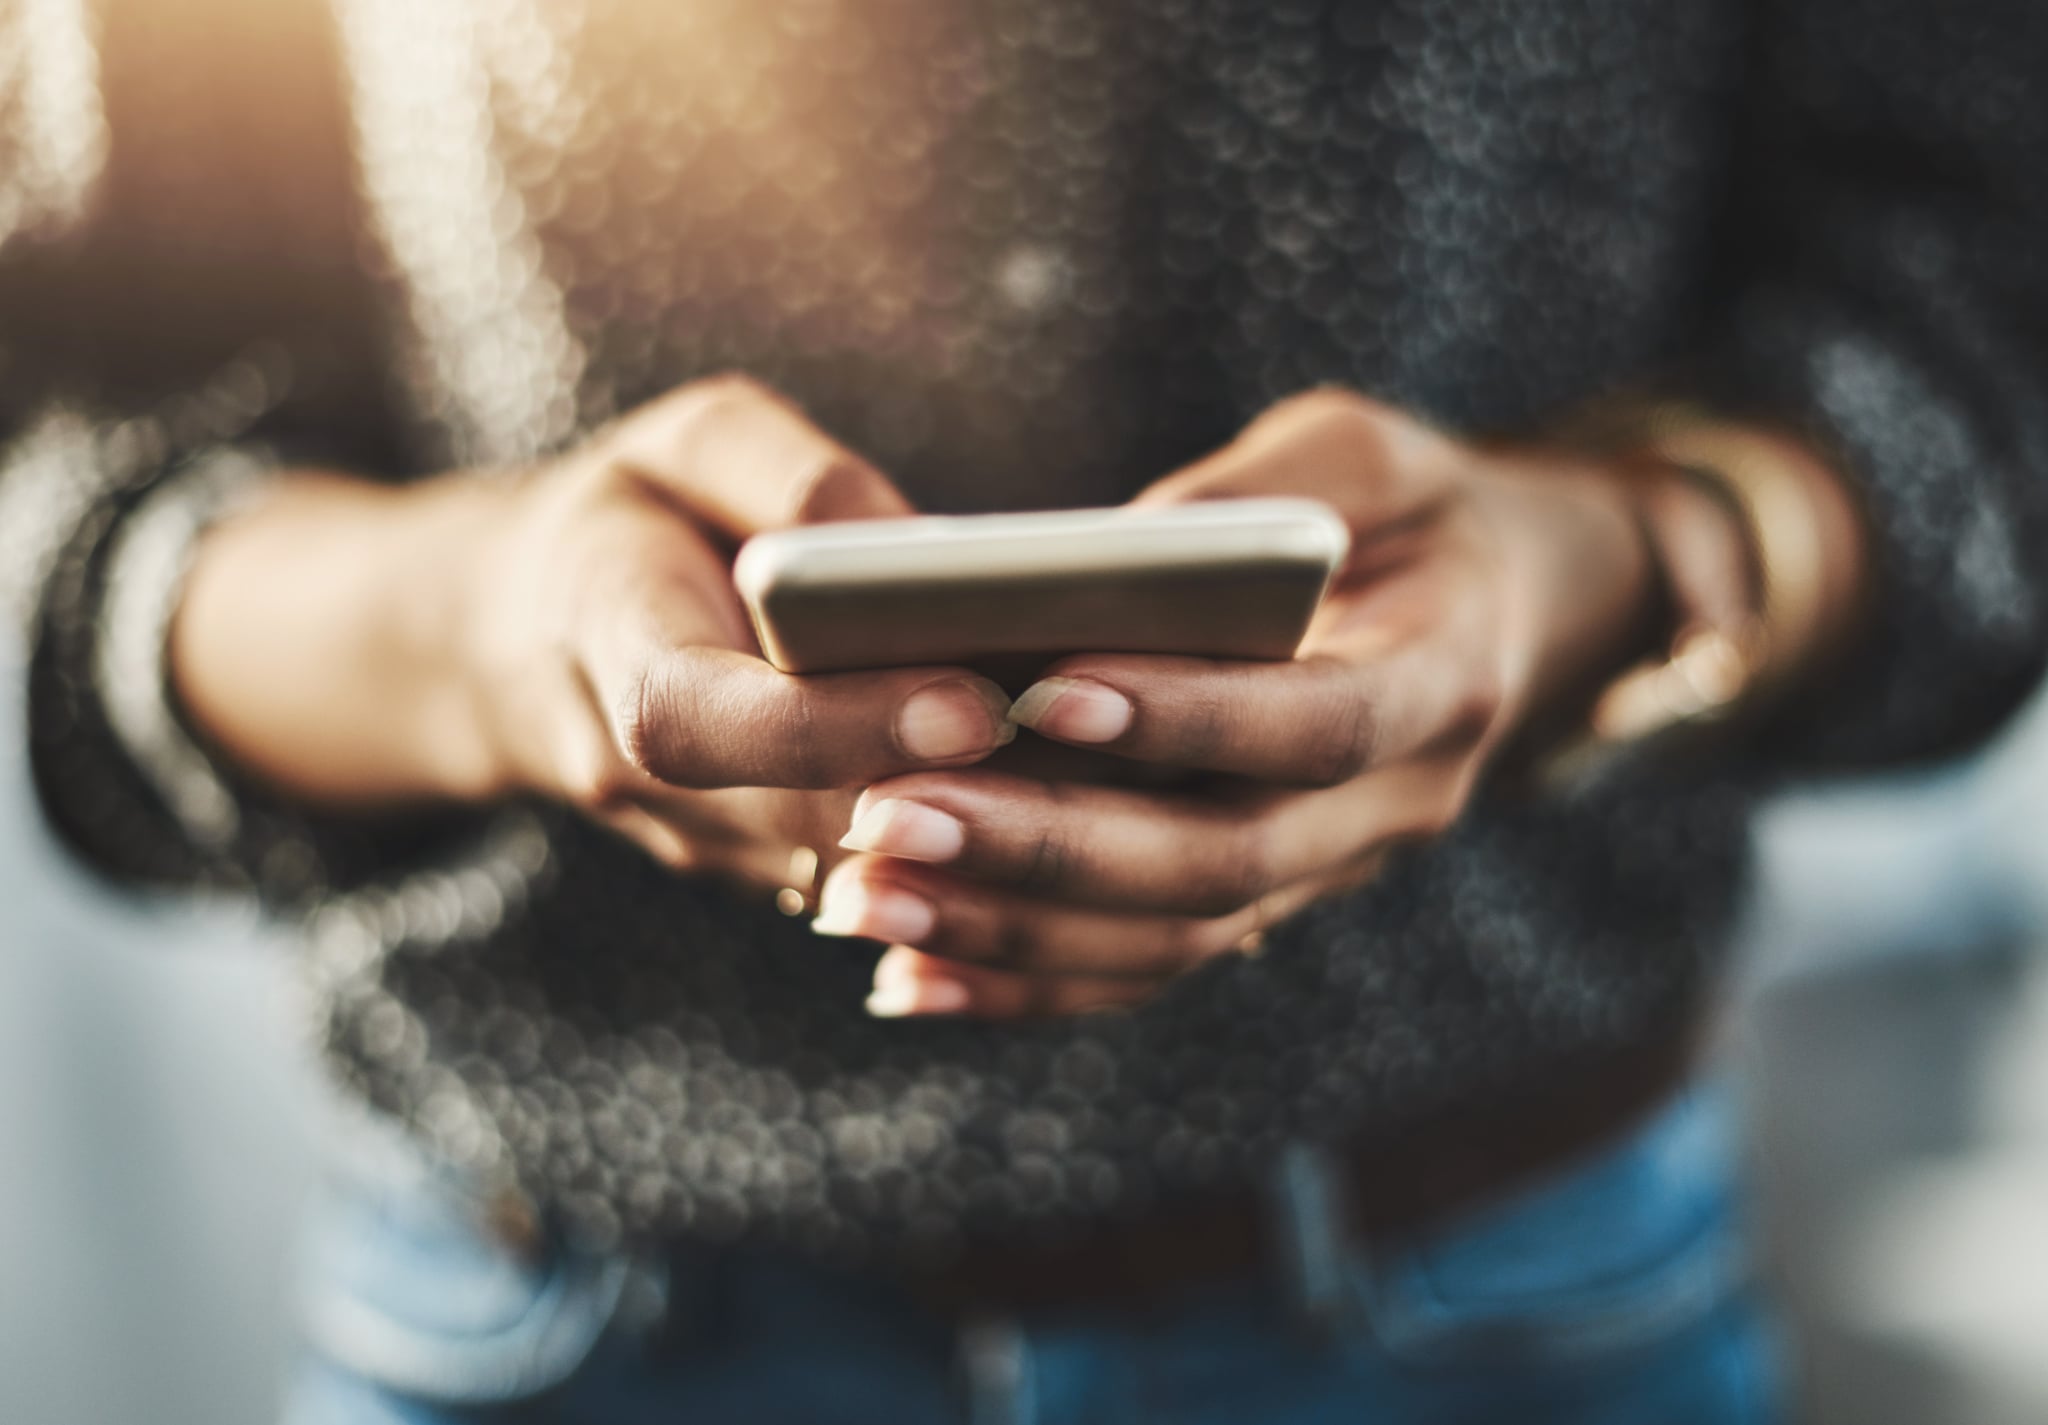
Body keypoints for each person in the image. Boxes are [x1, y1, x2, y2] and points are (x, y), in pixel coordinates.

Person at [6, 0, 2045, 1420]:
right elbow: (79, 523)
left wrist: (1600, 569)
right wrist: (488, 633)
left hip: (1514, 1294)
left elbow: (1982, 361)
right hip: (563, 1321)